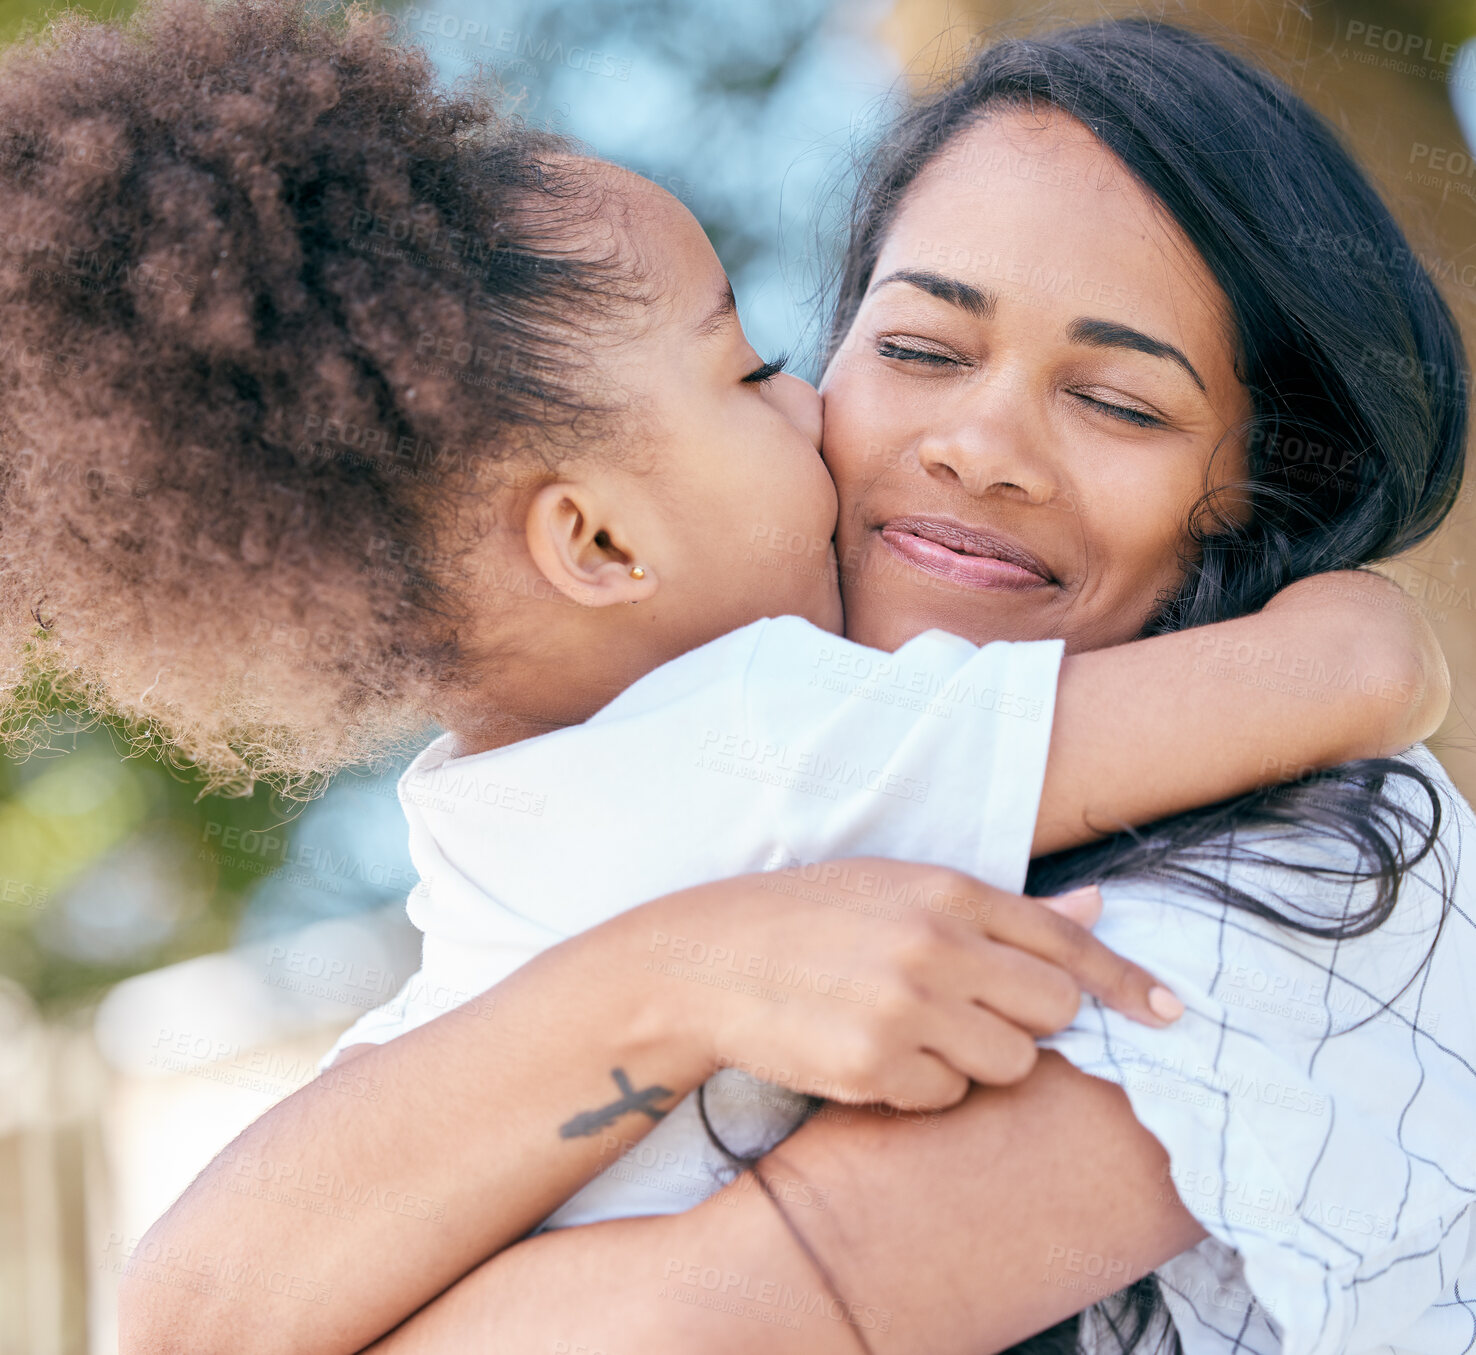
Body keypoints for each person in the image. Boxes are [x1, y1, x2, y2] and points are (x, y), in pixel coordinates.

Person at [0, 3, 1462, 1353]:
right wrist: (680, 976)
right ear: (594, 537)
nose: (976, 447)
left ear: (1259, 482)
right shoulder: (767, 740)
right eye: (905, 347)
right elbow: (200, 1313)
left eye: (1116, 399)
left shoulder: (1329, 869)